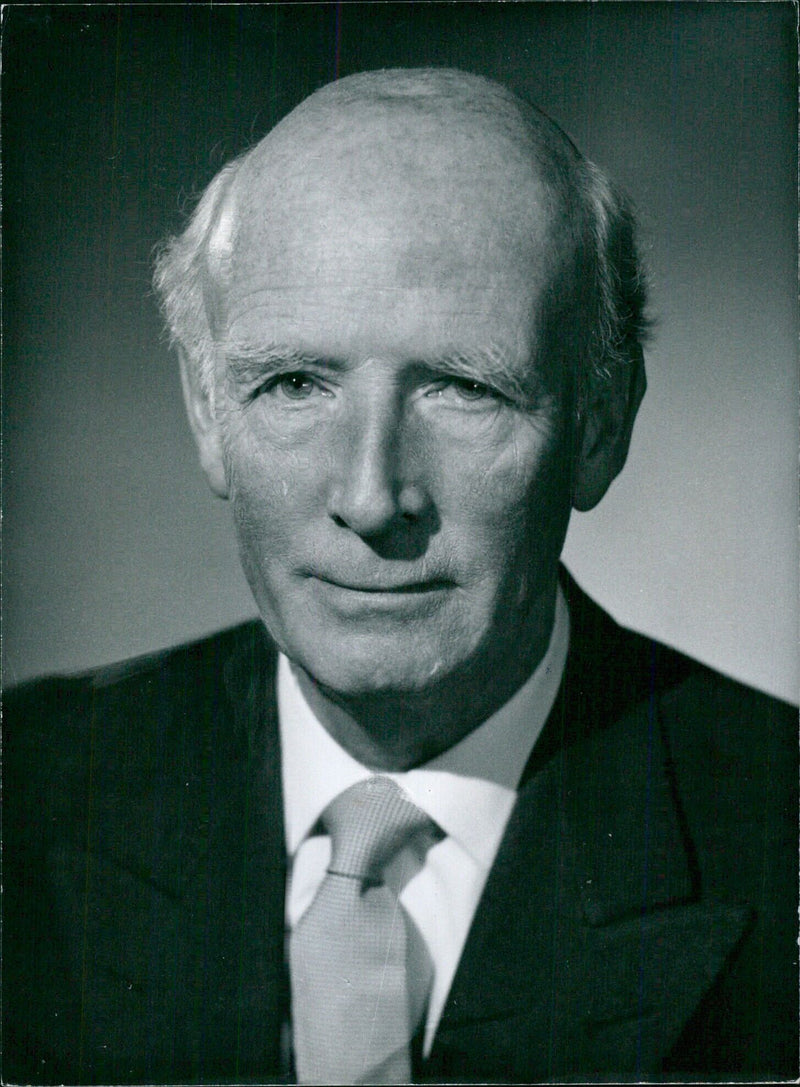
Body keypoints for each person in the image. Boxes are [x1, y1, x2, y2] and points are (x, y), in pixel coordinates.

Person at [4, 68, 796, 1085]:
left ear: (600, 422)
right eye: (293, 383)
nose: (371, 495)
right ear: (206, 413)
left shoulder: (777, 840)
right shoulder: (23, 795)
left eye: (462, 388)